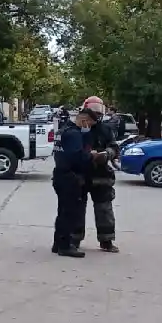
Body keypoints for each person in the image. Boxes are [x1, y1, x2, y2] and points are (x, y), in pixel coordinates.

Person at [74, 96, 121, 253]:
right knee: (77, 209)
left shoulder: (105, 129)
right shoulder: (76, 129)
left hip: (101, 175)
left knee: (104, 209)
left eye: (98, 115)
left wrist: (106, 154)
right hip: (80, 174)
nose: (95, 118)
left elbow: (114, 148)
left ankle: (106, 240)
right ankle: (74, 239)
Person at [51, 107, 94, 258]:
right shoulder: (75, 134)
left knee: (62, 211)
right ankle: (65, 246)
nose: (89, 128)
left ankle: (58, 244)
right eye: (90, 124)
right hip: (70, 177)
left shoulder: (63, 130)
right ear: (84, 121)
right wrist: (91, 155)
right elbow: (78, 158)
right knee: (70, 213)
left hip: (60, 175)